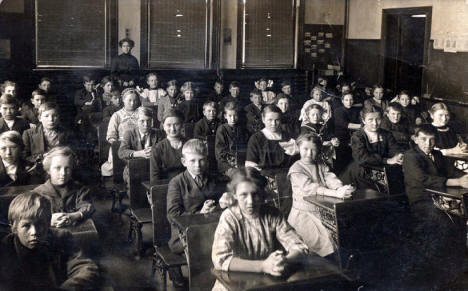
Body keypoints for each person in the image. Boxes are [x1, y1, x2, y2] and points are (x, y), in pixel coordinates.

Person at [401, 124, 468, 288]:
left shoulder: (437, 154)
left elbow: (451, 172)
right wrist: (456, 182)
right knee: (445, 223)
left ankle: (457, 266)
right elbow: (422, 180)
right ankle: (441, 270)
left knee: (459, 221)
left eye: (432, 140)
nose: (428, 143)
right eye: (423, 139)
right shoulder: (411, 156)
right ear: (415, 139)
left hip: (441, 198)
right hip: (422, 200)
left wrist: (464, 176)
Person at [212, 168, 308, 277]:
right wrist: (262, 266)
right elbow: (221, 259)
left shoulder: (273, 214)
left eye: (255, 194)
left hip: (269, 276)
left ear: (262, 193)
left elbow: (299, 247)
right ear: (234, 195)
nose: (250, 201)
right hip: (236, 279)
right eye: (244, 195)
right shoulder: (229, 218)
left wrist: (283, 261)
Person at [0, 192, 100, 290]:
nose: (34, 232)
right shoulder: (4, 248)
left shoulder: (61, 238)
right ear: (14, 227)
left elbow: (85, 268)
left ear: (48, 223)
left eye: (40, 224)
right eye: (26, 226)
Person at [167, 139, 225, 287]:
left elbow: (223, 202)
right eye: (192, 161)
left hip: (212, 229)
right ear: (183, 161)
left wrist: (220, 205)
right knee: (207, 252)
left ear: (206, 160)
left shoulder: (214, 178)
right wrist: (199, 213)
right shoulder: (177, 183)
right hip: (184, 234)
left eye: (201, 160)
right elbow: (173, 215)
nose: (198, 165)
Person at [288, 133, 354, 257]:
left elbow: (329, 177)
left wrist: (340, 188)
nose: (309, 153)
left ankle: (341, 264)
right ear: (299, 148)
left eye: (313, 150)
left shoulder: (320, 164)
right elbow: (313, 188)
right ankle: (328, 266)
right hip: (304, 214)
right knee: (326, 240)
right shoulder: (296, 169)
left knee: (344, 233)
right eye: (305, 149)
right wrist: (336, 194)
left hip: (321, 209)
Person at [340, 106, 403, 189]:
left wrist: (398, 155)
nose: (375, 123)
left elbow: (394, 149)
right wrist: (387, 160)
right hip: (362, 171)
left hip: (381, 170)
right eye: (370, 120)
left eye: (378, 119)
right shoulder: (357, 136)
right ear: (363, 120)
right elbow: (362, 158)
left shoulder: (386, 134)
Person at [34, 147, 94, 228]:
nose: (63, 173)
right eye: (58, 168)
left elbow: (87, 207)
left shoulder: (81, 190)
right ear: (48, 170)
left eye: (67, 168)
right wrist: (47, 221)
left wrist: (74, 216)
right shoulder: (37, 193)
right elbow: (30, 215)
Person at [119, 107, 165, 184]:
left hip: (154, 169)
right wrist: (139, 153)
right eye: (142, 121)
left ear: (152, 121)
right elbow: (121, 152)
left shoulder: (158, 133)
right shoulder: (129, 133)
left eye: (148, 121)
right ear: (136, 121)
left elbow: (163, 149)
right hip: (134, 170)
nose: (146, 124)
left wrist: (154, 150)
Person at [245, 105, 298, 171]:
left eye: (277, 120)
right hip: (264, 177)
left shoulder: (288, 137)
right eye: (270, 120)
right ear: (263, 119)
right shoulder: (256, 138)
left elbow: (296, 162)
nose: (274, 124)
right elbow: (251, 164)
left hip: (286, 176)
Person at [101, 88, 140, 176]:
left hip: (138, 144)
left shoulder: (141, 113)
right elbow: (111, 136)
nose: (132, 103)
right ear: (123, 100)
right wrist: (118, 144)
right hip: (121, 145)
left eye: (135, 100)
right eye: (129, 100)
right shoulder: (117, 115)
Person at [150, 109, 186, 183]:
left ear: (182, 125)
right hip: (166, 186)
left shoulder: (190, 144)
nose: (172, 129)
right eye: (168, 125)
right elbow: (155, 177)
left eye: (176, 124)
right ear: (163, 126)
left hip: (188, 184)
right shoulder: (158, 149)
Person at [215, 102, 249, 176]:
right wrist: (233, 162)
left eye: (235, 116)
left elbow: (246, 146)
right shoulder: (222, 129)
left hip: (241, 161)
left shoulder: (241, 129)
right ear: (225, 116)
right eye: (230, 116)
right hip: (226, 164)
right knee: (239, 175)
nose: (233, 119)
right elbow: (220, 153)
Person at [333, 93, 361, 173]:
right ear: (342, 101)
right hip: (341, 138)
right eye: (346, 100)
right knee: (342, 162)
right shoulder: (338, 111)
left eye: (351, 100)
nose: (349, 102)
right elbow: (347, 125)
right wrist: (364, 126)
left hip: (353, 137)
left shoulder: (355, 110)